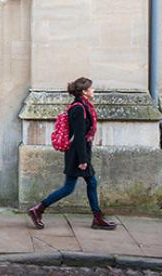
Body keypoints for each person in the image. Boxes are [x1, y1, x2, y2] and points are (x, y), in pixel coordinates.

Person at [27, 77, 116, 230]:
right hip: (77, 154)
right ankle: (38, 209)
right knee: (69, 188)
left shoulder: (83, 106)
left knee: (91, 183)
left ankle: (97, 217)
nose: (93, 90)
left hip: (79, 152)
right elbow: (79, 135)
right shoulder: (79, 108)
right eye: (91, 88)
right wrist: (82, 160)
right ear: (84, 92)